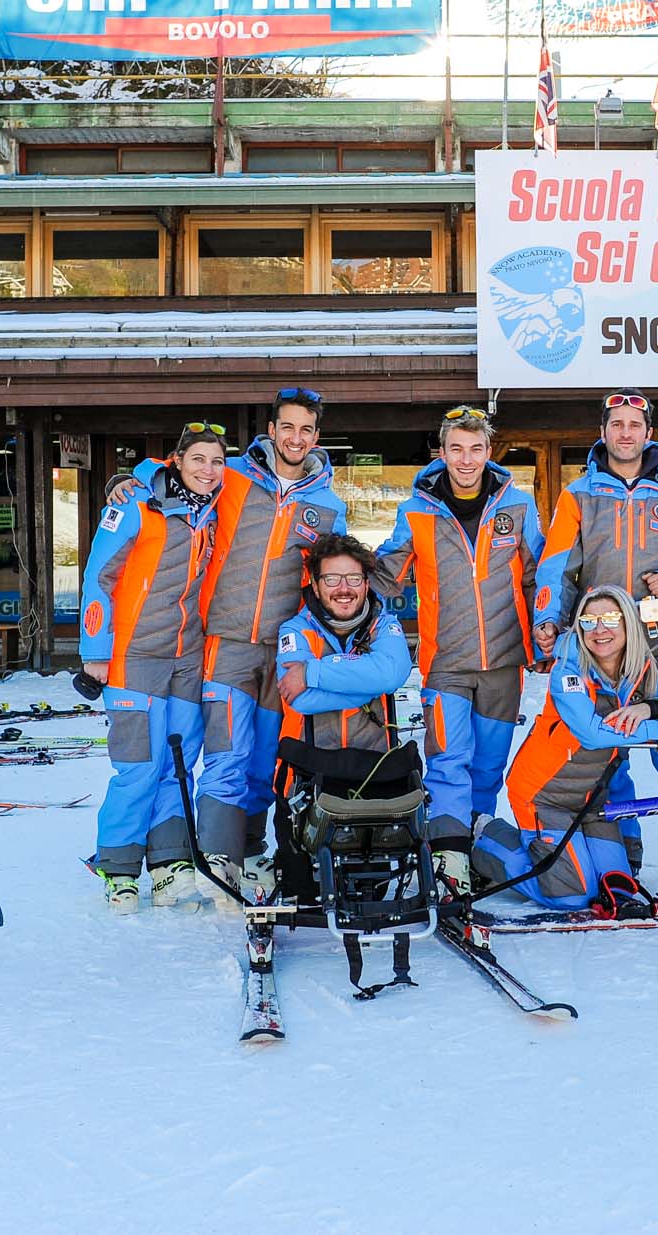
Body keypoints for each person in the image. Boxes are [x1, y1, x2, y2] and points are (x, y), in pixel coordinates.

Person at [113, 389, 348, 882]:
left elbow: (334, 571)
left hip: (281, 650)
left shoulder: (328, 505)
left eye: (306, 429)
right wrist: (129, 480)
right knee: (225, 753)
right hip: (225, 643)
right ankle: (219, 859)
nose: (295, 438)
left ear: (316, 437)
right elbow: (178, 470)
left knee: (264, 759)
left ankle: (250, 848)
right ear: (272, 430)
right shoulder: (234, 474)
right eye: (287, 427)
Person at [531, 392, 658, 890]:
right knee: (608, 756)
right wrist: (549, 620)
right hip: (602, 648)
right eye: (616, 424)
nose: (625, 433)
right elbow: (556, 567)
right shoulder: (578, 494)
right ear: (603, 432)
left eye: (634, 424)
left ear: (647, 433)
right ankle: (625, 858)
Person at [375, 405, 543, 894]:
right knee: (449, 763)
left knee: (487, 767)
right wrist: (339, 586)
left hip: (504, 664)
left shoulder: (518, 507)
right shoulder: (418, 510)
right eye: (456, 449)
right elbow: (386, 574)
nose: (466, 459)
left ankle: (474, 848)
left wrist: (546, 627)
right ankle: (449, 864)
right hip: (445, 663)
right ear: (442, 452)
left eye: (475, 449)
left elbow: (537, 578)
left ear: (489, 452)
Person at [473, 587, 658, 916]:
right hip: (543, 795)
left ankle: (557, 854)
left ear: (627, 623)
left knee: (614, 886)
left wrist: (651, 708)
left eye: (611, 618)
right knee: (571, 895)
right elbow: (592, 735)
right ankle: (488, 840)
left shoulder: (638, 671)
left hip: (591, 798)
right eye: (589, 620)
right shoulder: (568, 672)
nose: (600, 629)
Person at [80, 423, 225, 912]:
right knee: (138, 767)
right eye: (199, 459)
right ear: (177, 460)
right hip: (134, 655)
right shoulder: (136, 504)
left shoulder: (212, 512)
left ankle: (169, 865)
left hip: (186, 657)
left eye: (217, 461)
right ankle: (118, 868)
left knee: (177, 766)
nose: (208, 470)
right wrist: (95, 651)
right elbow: (99, 576)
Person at [275, 536, 413, 757]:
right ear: (316, 586)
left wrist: (311, 672)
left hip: (377, 772)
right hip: (308, 773)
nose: (344, 588)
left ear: (366, 584)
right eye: (331, 579)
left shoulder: (384, 625)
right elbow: (301, 699)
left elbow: (392, 674)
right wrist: (371, 687)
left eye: (354, 578)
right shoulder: (294, 630)